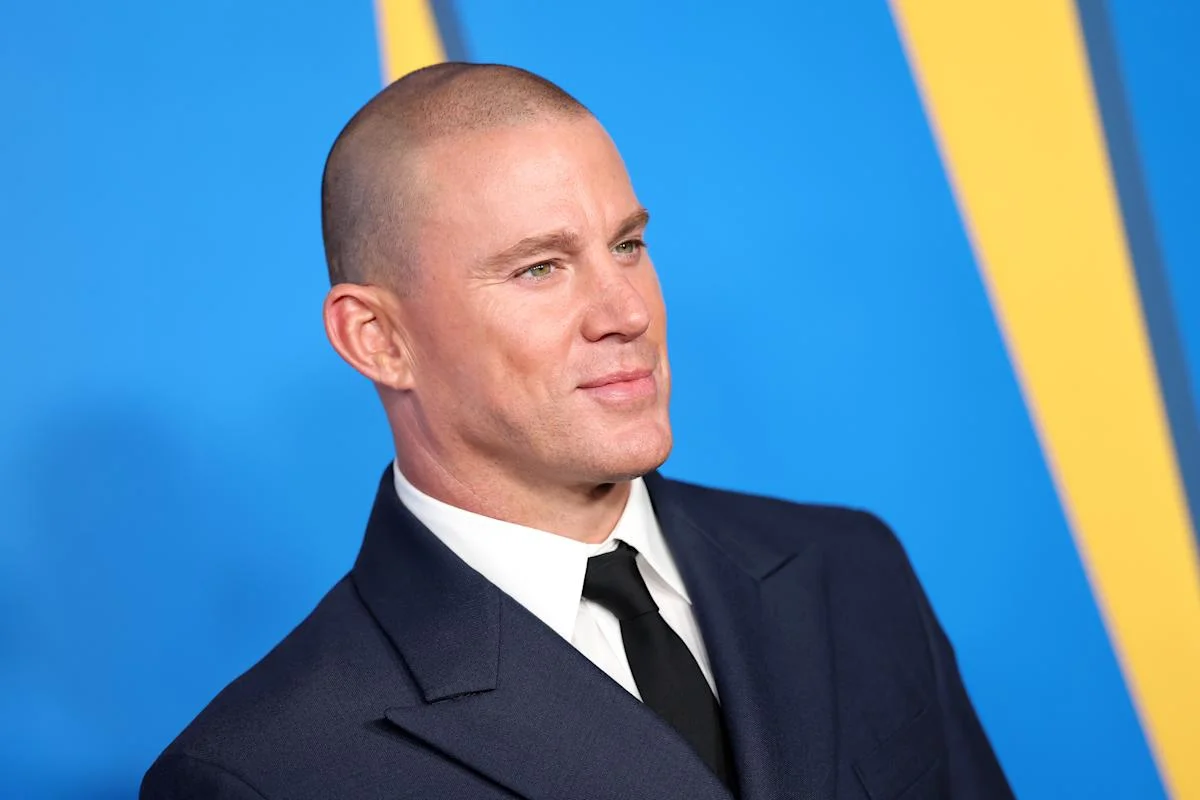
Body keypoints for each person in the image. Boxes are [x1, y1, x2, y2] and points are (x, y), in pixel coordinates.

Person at [141, 62, 1013, 799]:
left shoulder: (850, 570)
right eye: (540, 268)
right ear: (378, 339)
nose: (626, 311)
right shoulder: (269, 770)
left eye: (627, 245)